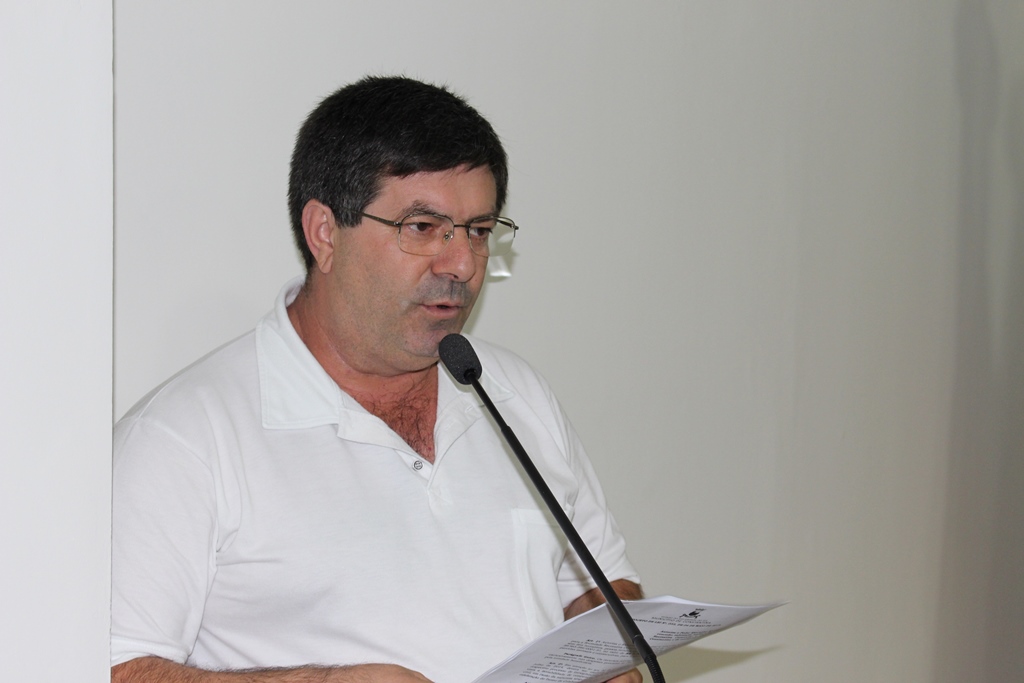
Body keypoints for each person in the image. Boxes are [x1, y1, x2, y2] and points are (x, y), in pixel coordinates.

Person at [111, 75, 642, 683]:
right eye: (422, 228)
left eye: (478, 230)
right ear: (324, 233)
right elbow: (113, 668)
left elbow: (600, 585)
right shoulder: (183, 438)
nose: (462, 264)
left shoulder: (516, 393)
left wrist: (612, 655)